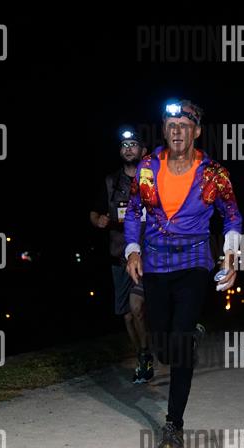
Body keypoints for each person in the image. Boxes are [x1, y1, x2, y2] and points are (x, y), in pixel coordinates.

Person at [124, 99, 242, 448]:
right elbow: (133, 211)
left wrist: (230, 255)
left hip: (193, 262)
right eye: (171, 125)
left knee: (178, 343)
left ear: (197, 131)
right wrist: (133, 249)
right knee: (163, 348)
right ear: (164, 130)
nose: (177, 131)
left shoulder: (213, 173)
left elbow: (232, 216)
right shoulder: (147, 167)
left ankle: (173, 423)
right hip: (155, 263)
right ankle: (185, 340)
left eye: (184, 126)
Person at [90, 129, 152, 383]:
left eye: (133, 144)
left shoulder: (153, 180)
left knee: (137, 307)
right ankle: (142, 356)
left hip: (148, 256)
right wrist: (98, 220)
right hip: (119, 257)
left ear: (143, 151)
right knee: (127, 315)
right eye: (124, 145)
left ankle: (150, 353)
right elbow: (94, 212)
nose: (128, 148)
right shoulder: (110, 182)